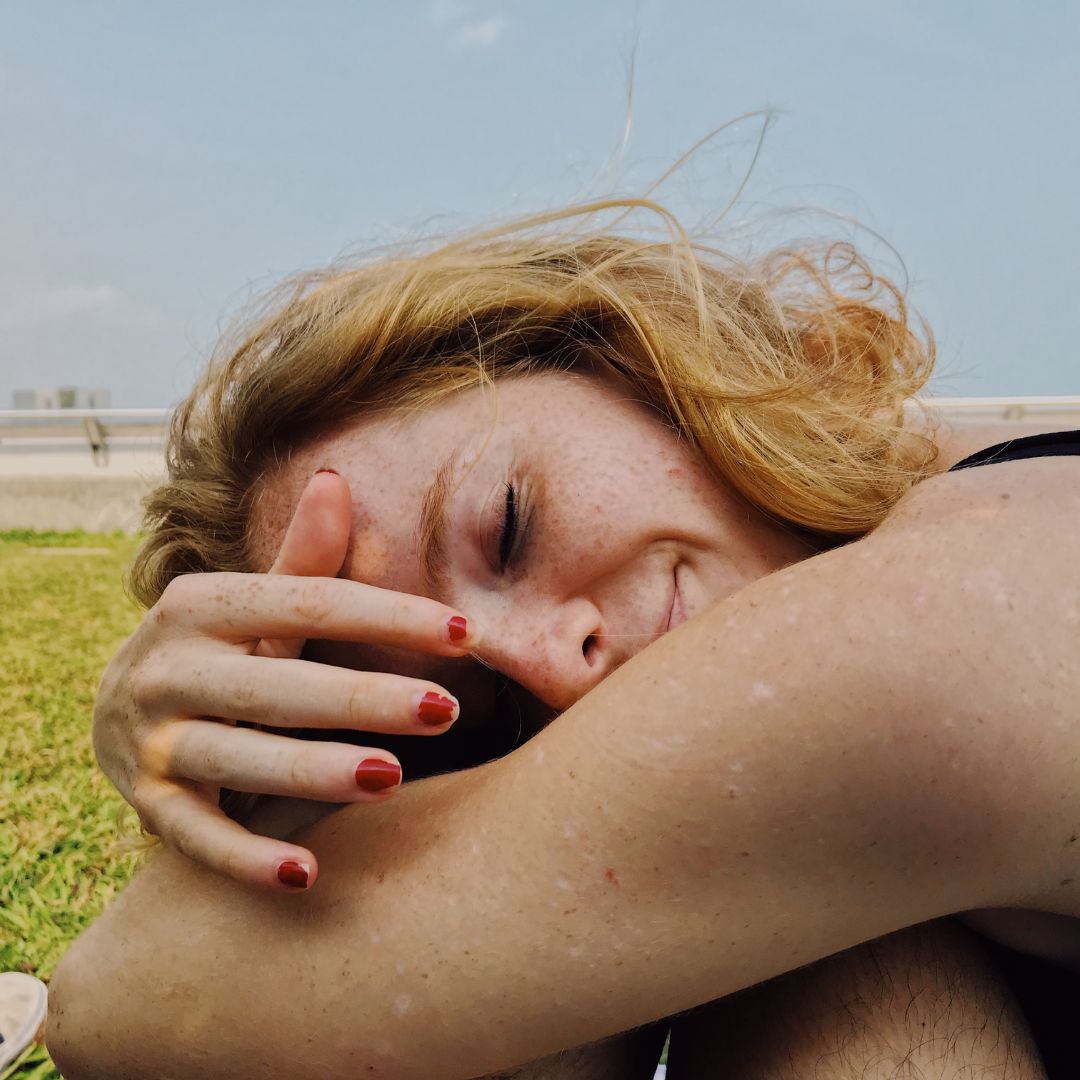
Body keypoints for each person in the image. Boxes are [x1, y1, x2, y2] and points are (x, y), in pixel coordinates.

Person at [45, 198, 1080, 1079]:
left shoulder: (960, 603)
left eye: (506, 524)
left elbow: (107, 1001)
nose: (554, 666)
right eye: (479, 710)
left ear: (611, 353)